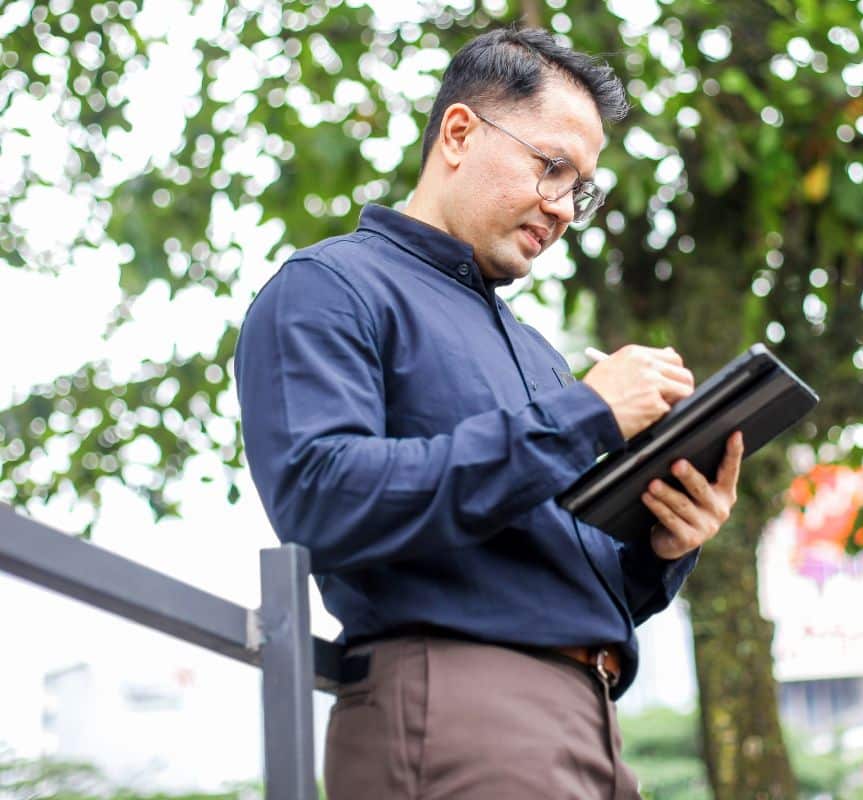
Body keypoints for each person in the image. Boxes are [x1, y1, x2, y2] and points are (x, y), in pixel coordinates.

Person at [234, 26, 744, 800]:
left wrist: (664, 547)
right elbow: (321, 495)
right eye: (551, 167)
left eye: (583, 187)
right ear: (461, 133)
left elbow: (564, 576)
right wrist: (587, 417)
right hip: (461, 711)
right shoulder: (330, 287)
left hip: (596, 726)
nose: (566, 207)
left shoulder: (538, 352)